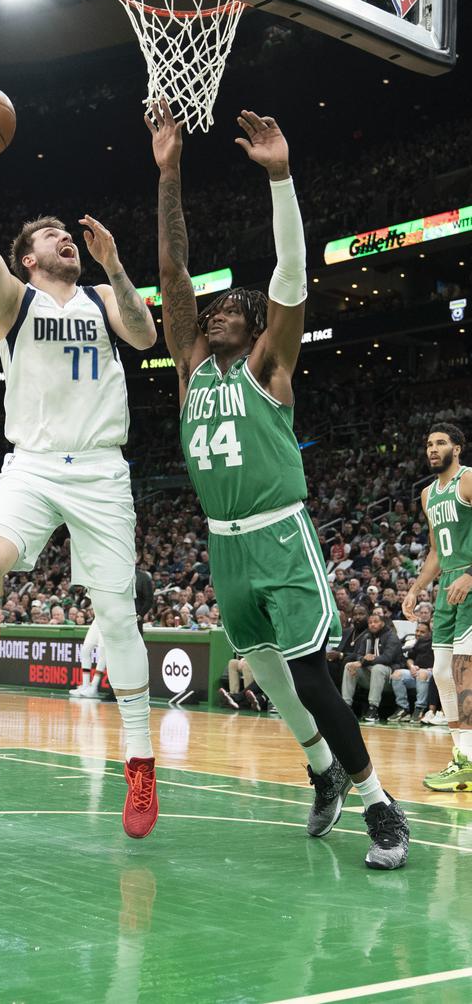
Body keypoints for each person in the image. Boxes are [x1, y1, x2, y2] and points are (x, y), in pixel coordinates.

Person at [147, 97, 408, 868]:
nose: (219, 313)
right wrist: (170, 172)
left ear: (255, 328)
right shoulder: (192, 372)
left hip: (280, 535)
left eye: (235, 310)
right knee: (268, 677)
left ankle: (380, 805)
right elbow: (171, 271)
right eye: (214, 309)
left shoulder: (269, 367)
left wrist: (283, 179)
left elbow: (290, 275)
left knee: (313, 678)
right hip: (224, 548)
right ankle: (321, 770)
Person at [0, 97, 159, 838]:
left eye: (70, 235)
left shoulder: (100, 295)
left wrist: (118, 266)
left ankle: (138, 763)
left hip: (99, 469)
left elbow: (147, 335)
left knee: (119, 616)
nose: (68, 239)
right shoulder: (15, 300)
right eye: (53, 236)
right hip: (31, 463)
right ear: (28, 257)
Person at [403, 424, 472, 791]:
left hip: (470, 581)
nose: (432, 449)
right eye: (429, 443)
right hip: (447, 584)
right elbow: (435, 551)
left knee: (464, 670)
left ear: (457, 449)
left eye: (441, 443)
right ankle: (462, 757)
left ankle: (470, 759)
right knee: (443, 671)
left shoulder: (468, 480)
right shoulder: (428, 494)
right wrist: (416, 587)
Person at [341, 613, 404, 722]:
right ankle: (346, 706)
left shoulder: (391, 637)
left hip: (390, 676)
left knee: (378, 668)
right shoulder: (367, 637)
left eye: (375, 622)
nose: (372, 625)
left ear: (382, 623)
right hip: (371, 675)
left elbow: (387, 658)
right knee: (349, 666)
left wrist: (363, 662)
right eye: (370, 622)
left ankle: (373, 709)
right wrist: (363, 659)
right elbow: (359, 655)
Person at [388, 620, 434, 723]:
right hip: (415, 673)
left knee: (422, 673)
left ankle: (419, 709)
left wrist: (434, 668)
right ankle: (403, 708)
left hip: (430, 674)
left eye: (422, 632)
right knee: (396, 674)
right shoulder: (419, 642)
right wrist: (412, 666)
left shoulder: (436, 642)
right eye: (417, 631)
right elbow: (409, 658)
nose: (418, 634)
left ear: (429, 633)